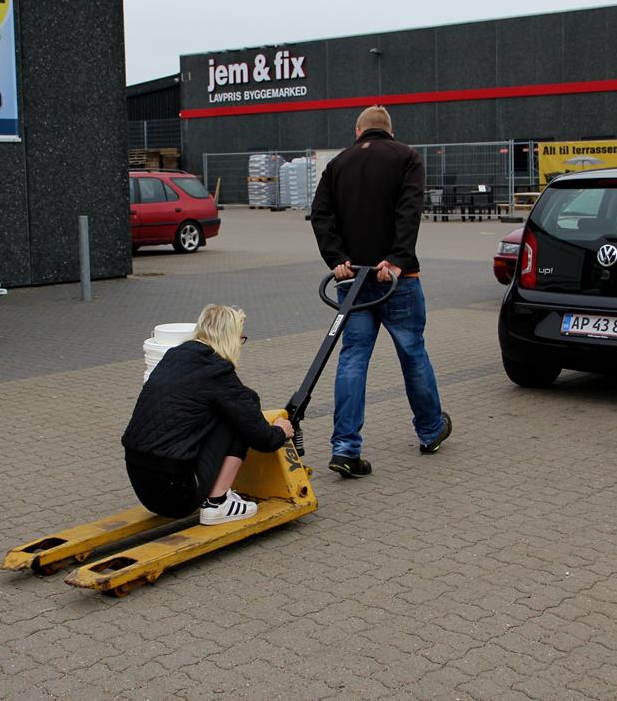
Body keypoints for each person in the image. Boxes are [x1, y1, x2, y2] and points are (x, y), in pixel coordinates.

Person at [310, 105, 451, 478]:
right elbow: (410, 210)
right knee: (412, 351)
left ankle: (345, 448)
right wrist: (397, 259)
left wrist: (337, 259)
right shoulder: (407, 158)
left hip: (351, 278)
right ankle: (431, 430)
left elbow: (321, 213)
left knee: (353, 357)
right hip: (396, 278)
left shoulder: (338, 164)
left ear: (359, 131)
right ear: (389, 130)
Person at [122, 304, 294, 525]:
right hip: (177, 493)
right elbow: (262, 439)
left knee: (220, 410)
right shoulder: (218, 371)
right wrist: (280, 431)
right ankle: (217, 503)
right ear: (229, 338)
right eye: (240, 338)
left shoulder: (175, 356)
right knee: (237, 416)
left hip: (141, 480)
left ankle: (217, 494)